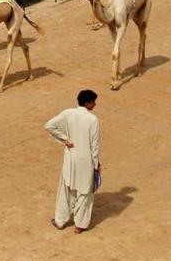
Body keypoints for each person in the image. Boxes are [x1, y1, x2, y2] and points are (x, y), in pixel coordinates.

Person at [45, 89, 101, 233]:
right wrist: (96, 165)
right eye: (93, 102)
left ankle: (60, 221)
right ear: (87, 103)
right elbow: (94, 145)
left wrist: (64, 139)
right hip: (86, 161)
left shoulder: (68, 113)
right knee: (85, 192)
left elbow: (49, 125)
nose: (95, 104)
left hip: (70, 158)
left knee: (65, 189)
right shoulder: (93, 119)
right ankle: (80, 225)